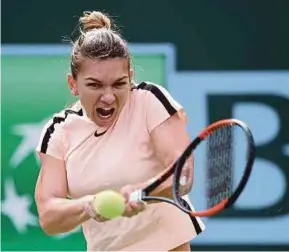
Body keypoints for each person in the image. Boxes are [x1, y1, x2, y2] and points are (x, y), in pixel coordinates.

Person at [34, 10, 205, 251]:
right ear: (73, 84)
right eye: (94, 85)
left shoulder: (148, 100)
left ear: (130, 77)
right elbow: (49, 217)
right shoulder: (58, 132)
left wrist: (144, 190)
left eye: (119, 84)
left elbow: (183, 174)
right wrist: (91, 205)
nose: (108, 97)